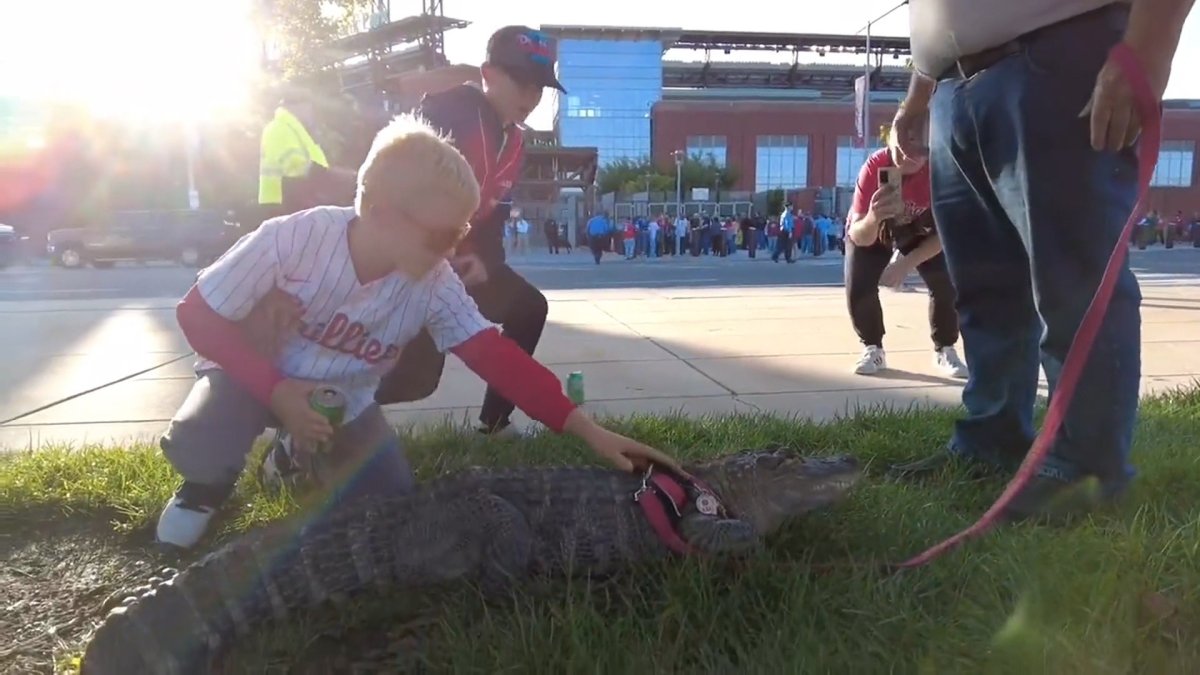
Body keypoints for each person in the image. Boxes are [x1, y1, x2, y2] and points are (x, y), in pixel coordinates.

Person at [155, 114, 681, 550]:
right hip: (254, 377)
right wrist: (275, 390)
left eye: (462, 232)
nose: (453, 249)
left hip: (345, 401)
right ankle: (204, 487)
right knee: (206, 437)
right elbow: (197, 313)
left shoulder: (433, 279)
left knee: (390, 509)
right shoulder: (293, 239)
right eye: (442, 234)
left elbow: (493, 355)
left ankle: (292, 456)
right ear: (381, 214)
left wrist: (587, 430)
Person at [889, 1, 1191, 520]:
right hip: (951, 88)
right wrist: (920, 94)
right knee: (987, 291)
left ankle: (1086, 469)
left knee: (1074, 280)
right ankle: (992, 438)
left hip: (1056, 59)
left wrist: (1147, 50)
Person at [368, 25, 567, 436]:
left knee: (528, 308)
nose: (531, 97)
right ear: (489, 74)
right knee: (417, 376)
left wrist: (485, 259)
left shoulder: (515, 142)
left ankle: (495, 424)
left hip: (458, 263)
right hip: (410, 263)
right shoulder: (450, 113)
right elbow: (396, 185)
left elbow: (493, 213)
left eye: (540, 88)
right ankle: (317, 414)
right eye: (522, 83)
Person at [844, 133, 969, 379]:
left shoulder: (942, 172)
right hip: (877, 226)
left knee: (946, 281)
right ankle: (873, 347)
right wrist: (873, 216)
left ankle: (945, 348)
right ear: (889, 142)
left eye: (916, 150)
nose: (906, 157)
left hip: (921, 228)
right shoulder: (875, 166)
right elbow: (858, 235)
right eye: (899, 148)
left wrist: (906, 264)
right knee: (859, 281)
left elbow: (945, 236)